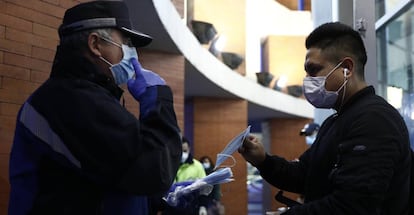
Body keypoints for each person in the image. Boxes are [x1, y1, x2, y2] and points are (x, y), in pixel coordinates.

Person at [8, 1, 182, 214]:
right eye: (126, 42)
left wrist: (162, 197)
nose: (132, 53)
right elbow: (154, 170)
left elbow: (112, 180)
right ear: (95, 44)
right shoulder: (70, 101)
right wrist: (158, 99)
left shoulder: (88, 98)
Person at [239, 22, 411, 214]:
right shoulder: (336, 121)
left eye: (313, 70)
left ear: (346, 68)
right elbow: (306, 174)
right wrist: (263, 160)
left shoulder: (375, 120)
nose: (307, 80)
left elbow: (352, 206)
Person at [162, 137, 207, 215]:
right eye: (181, 151)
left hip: (191, 207)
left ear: (189, 149)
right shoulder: (169, 165)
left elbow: (204, 187)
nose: (183, 153)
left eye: (185, 151)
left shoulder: (198, 166)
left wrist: (203, 206)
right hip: (171, 208)